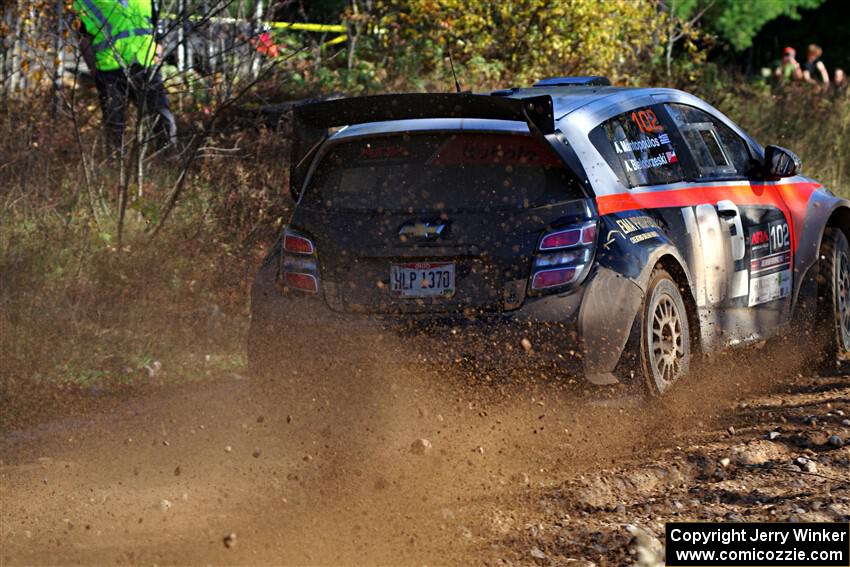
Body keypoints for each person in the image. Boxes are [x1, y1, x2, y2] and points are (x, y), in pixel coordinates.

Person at [74, 0, 176, 152]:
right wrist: (96, 72)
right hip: (110, 72)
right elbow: (84, 40)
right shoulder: (85, 2)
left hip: (145, 67)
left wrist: (156, 55)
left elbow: (157, 29)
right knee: (115, 128)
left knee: (164, 120)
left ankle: (170, 164)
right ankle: (113, 170)